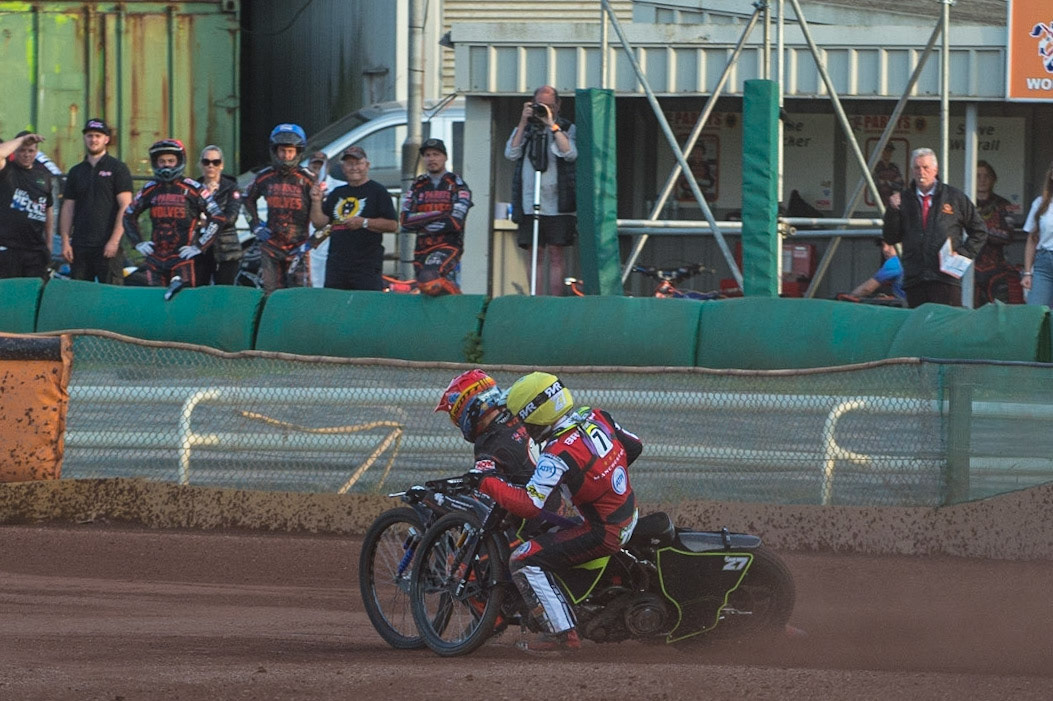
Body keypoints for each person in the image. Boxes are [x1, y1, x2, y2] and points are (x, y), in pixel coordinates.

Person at [468, 372, 641, 654]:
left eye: (523, 419)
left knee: (523, 558)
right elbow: (634, 446)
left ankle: (562, 633)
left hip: (604, 531)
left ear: (534, 415)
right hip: (629, 512)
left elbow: (528, 505)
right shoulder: (596, 416)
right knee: (549, 532)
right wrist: (599, 477)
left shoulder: (556, 453)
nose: (523, 427)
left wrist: (486, 481)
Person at [882, 147, 987, 308]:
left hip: (945, 277)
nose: (921, 172)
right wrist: (892, 211)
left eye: (926, 167)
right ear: (912, 171)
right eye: (917, 168)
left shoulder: (954, 197)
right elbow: (891, 237)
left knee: (947, 321)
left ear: (935, 170)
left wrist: (963, 254)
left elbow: (980, 231)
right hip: (915, 277)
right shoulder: (904, 199)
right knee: (919, 322)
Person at [504, 85, 578, 296]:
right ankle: (535, 298)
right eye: (540, 105)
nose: (544, 109)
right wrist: (523, 121)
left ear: (558, 105)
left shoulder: (566, 127)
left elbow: (570, 154)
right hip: (530, 201)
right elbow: (511, 153)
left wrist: (551, 124)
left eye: (549, 105)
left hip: (558, 202)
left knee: (556, 252)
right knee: (534, 252)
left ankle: (554, 300)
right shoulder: (526, 128)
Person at [123, 139, 226, 288]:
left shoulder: (193, 188)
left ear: (179, 161)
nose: (166, 165)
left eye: (171, 161)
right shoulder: (150, 189)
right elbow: (128, 215)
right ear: (155, 163)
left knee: (182, 298)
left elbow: (217, 217)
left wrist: (199, 246)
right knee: (155, 298)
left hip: (183, 259)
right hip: (155, 259)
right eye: (162, 161)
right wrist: (138, 242)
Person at [308, 146, 398, 291]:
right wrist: (316, 201)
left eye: (358, 163)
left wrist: (364, 222)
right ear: (343, 168)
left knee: (364, 302)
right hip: (336, 264)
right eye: (349, 164)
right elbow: (319, 224)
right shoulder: (337, 193)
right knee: (335, 302)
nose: (354, 168)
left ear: (367, 165)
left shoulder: (378, 191)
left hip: (366, 265)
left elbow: (393, 225)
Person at [59, 118, 134, 284]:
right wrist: (65, 242)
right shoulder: (76, 171)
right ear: (84, 138)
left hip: (107, 245)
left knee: (111, 294)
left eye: (98, 136)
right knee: (80, 294)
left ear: (106, 139)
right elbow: (68, 208)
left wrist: (114, 241)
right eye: (90, 136)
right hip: (80, 246)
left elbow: (125, 206)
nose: (93, 140)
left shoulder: (118, 168)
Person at [244, 124, 315, 292]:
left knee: (298, 296)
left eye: (290, 151)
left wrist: (312, 242)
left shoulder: (308, 180)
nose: (286, 156)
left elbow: (324, 217)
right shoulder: (264, 177)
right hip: (271, 248)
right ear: (274, 151)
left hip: (298, 248)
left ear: (298, 152)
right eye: (282, 151)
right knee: (270, 294)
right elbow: (246, 200)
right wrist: (255, 226)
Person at [400, 138, 473, 295]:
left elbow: (455, 222)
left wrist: (421, 219)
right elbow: (405, 221)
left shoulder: (457, 184)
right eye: (427, 155)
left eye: (436, 154)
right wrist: (439, 214)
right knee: (426, 289)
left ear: (445, 157)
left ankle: (459, 304)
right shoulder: (417, 185)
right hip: (421, 249)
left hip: (448, 246)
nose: (431, 159)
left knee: (430, 278)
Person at [0, 132, 53, 279]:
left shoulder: (43, 177)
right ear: (15, 151)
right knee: (9, 291)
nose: (26, 154)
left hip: (35, 251)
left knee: (34, 291)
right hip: (9, 249)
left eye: (31, 150)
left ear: (36, 152)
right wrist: (21, 140)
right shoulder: (7, 170)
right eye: (22, 150)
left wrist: (49, 244)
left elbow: (48, 210)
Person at [973, 160, 1023, 306]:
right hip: (970, 267)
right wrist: (990, 232)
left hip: (997, 268)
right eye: (978, 176)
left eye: (986, 176)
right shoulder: (966, 203)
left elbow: (1008, 236)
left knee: (999, 310)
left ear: (993, 179)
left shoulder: (1003, 204)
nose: (982, 180)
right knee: (968, 310)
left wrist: (980, 232)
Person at [194, 145, 243, 285]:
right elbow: (188, 216)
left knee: (224, 291)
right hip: (200, 248)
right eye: (206, 162)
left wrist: (206, 221)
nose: (211, 166)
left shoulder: (231, 187)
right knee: (199, 290)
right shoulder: (194, 187)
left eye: (215, 162)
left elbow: (231, 217)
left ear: (221, 165)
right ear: (201, 164)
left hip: (225, 248)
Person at [1022, 161, 1053, 307]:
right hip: (1043, 262)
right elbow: (1032, 239)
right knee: (1036, 310)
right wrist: (1027, 272)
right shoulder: (1040, 203)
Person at [305, 151, 329, 288]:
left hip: (326, 243)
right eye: (314, 166)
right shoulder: (300, 184)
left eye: (321, 166)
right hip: (303, 242)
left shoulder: (337, 187)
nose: (317, 170)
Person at [873, 142, 904, 208]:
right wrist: (891, 182)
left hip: (892, 203)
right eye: (885, 151)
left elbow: (900, 185)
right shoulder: (875, 167)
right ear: (881, 152)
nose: (887, 153)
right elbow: (876, 183)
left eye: (889, 151)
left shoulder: (894, 168)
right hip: (878, 203)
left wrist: (886, 182)